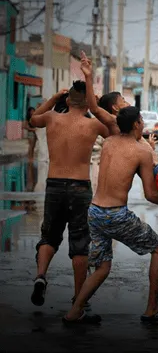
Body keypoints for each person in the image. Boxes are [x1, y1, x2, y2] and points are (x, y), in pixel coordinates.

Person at [63, 107, 158, 325]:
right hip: (115, 214)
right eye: (142, 119)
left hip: (95, 211)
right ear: (136, 124)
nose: (143, 122)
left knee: (103, 267)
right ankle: (152, 309)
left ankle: (74, 312)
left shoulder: (109, 142)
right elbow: (151, 194)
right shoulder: (141, 151)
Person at [28, 76, 109, 309]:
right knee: (80, 241)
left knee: (49, 236)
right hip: (79, 187)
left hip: (54, 184)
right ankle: (78, 299)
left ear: (67, 100)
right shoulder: (93, 124)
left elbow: (33, 119)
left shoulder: (52, 118)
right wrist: (97, 105)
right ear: (87, 103)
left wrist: (54, 98)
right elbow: (114, 128)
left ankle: (41, 275)